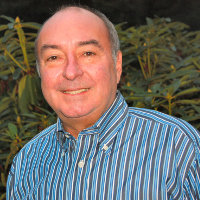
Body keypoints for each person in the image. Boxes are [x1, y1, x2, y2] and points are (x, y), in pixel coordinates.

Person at [7, 5, 200, 200]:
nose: (71, 72)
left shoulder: (178, 149)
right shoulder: (26, 164)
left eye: (88, 53)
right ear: (40, 72)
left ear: (117, 65)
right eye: (54, 57)